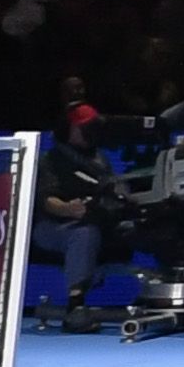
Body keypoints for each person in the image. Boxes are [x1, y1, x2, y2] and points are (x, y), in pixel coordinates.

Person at [33, 105, 126, 331]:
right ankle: (75, 307)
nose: (90, 131)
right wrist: (68, 208)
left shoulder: (100, 160)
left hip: (95, 220)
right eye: (84, 127)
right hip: (52, 227)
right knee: (84, 233)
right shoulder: (51, 160)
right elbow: (47, 201)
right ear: (68, 130)